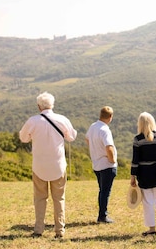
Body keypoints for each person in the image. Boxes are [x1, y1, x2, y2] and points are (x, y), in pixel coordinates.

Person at [19, 91, 77, 239]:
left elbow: (23, 138)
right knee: (59, 198)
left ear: (39, 106)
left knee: (40, 198)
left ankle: (39, 229)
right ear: (53, 105)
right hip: (58, 165)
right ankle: (60, 230)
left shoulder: (32, 121)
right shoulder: (62, 119)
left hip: (39, 166)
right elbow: (71, 137)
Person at [130, 112, 156, 236]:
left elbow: (135, 160)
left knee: (148, 202)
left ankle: (152, 229)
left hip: (144, 175)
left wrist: (133, 176)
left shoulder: (137, 139)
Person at [86, 106, 117, 223]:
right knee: (105, 191)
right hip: (106, 164)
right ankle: (102, 215)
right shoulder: (105, 129)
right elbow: (109, 147)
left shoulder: (93, 126)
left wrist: (94, 150)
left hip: (97, 164)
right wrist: (112, 160)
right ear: (110, 117)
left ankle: (102, 214)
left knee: (102, 190)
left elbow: (87, 139)